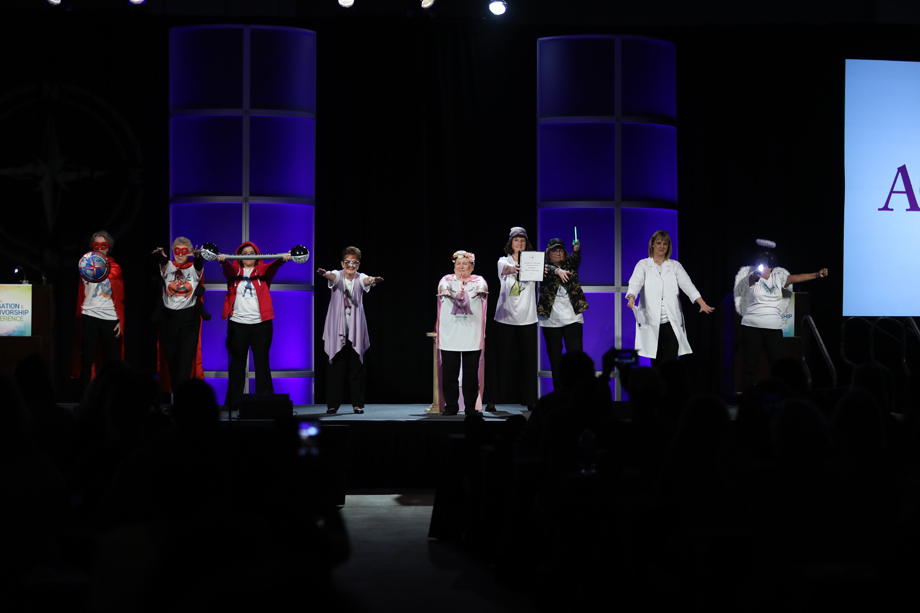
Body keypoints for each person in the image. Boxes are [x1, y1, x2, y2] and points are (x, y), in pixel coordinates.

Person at [733, 240, 828, 390]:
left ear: (771, 266)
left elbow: (798, 277)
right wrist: (757, 272)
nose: (761, 267)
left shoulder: (778, 278)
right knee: (750, 366)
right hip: (751, 327)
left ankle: (778, 395)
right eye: (759, 264)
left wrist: (817, 275)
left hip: (774, 328)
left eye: (765, 264)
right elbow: (753, 278)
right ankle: (747, 396)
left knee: (777, 366)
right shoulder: (752, 277)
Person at [218, 241, 290, 411]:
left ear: (257, 255)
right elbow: (228, 269)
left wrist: (281, 259)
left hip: (261, 325)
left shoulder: (262, 271)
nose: (248, 256)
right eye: (244, 253)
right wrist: (223, 261)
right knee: (237, 365)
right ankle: (233, 403)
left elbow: (272, 267)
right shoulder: (235, 271)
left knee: (262, 363)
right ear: (239, 257)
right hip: (238, 324)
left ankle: (266, 403)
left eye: (252, 253)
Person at [626, 230, 714, 367]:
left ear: (668, 247)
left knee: (670, 362)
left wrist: (701, 302)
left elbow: (687, 285)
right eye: (659, 243)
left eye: (665, 244)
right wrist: (631, 297)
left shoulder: (674, 266)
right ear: (652, 245)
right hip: (652, 322)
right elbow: (635, 282)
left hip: (671, 323)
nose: (662, 246)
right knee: (656, 363)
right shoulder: (643, 265)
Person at [318, 246, 383, 415]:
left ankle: (357, 404)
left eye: (354, 263)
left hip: (355, 327)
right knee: (335, 366)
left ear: (358, 264)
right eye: (347, 262)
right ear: (342, 263)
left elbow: (366, 281)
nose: (351, 266)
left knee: (357, 367)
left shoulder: (360, 277)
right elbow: (331, 276)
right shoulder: (337, 275)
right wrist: (325, 275)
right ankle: (332, 405)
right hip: (336, 326)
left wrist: (373, 281)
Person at [485, 227, 540, 412]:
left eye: (522, 240)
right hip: (504, 317)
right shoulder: (504, 261)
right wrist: (515, 267)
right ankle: (492, 400)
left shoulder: (533, 261)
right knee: (500, 360)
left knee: (529, 362)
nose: (519, 243)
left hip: (528, 317)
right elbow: (506, 269)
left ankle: (530, 400)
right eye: (516, 240)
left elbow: (545, 268)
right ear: (511, 243)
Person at [70, 230, 125, 392]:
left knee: (110, 361)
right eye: (96, 245)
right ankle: (85, 398)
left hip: (109, 317)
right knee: (86, 359)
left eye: (103, 245)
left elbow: (120, 297)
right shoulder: (85, 265)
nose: (100, 248)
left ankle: (109, 396)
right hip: (89, 315)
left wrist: (120, 320)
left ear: (109, 247)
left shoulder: (115, 268)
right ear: (92, 247)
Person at [151, 237, 206, 395]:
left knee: (185, 361)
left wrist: (197, 257)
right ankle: (177, 397)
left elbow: (199, 266)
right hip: (168, 319)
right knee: (172, 360)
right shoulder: (169, 266)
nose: (180, 254)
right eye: (177, 251)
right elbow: (163, 262)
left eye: (184, 251)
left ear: (188, 253)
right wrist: (161, 255)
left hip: (188, 319)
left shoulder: (193, 269)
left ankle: (184, 399)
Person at [436, 251, 488, 416]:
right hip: (450, 334)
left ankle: (470, 407)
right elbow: (442, 286)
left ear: (472, 267)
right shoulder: (447, 279)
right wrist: (445, 291)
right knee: (449, 373)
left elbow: (483, 287)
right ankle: (451, 406)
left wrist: (481, 291)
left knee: (471, 374)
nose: (461, 267)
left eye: (465, 264)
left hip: (471, 334)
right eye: (458, 264)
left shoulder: (478, 280)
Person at [537, 237, 588, 391]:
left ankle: (577, 392)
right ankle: (560, 394)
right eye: (554, 251)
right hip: (550, 319)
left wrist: (576, 250)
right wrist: (556, 270)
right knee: (555, 360)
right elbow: (542, 267)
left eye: (560, 250)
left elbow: (575, 260)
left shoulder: (570, 265)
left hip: (572, 317)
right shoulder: (543, 268)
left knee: (576, 358)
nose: (558, 253)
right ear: (548, 253)